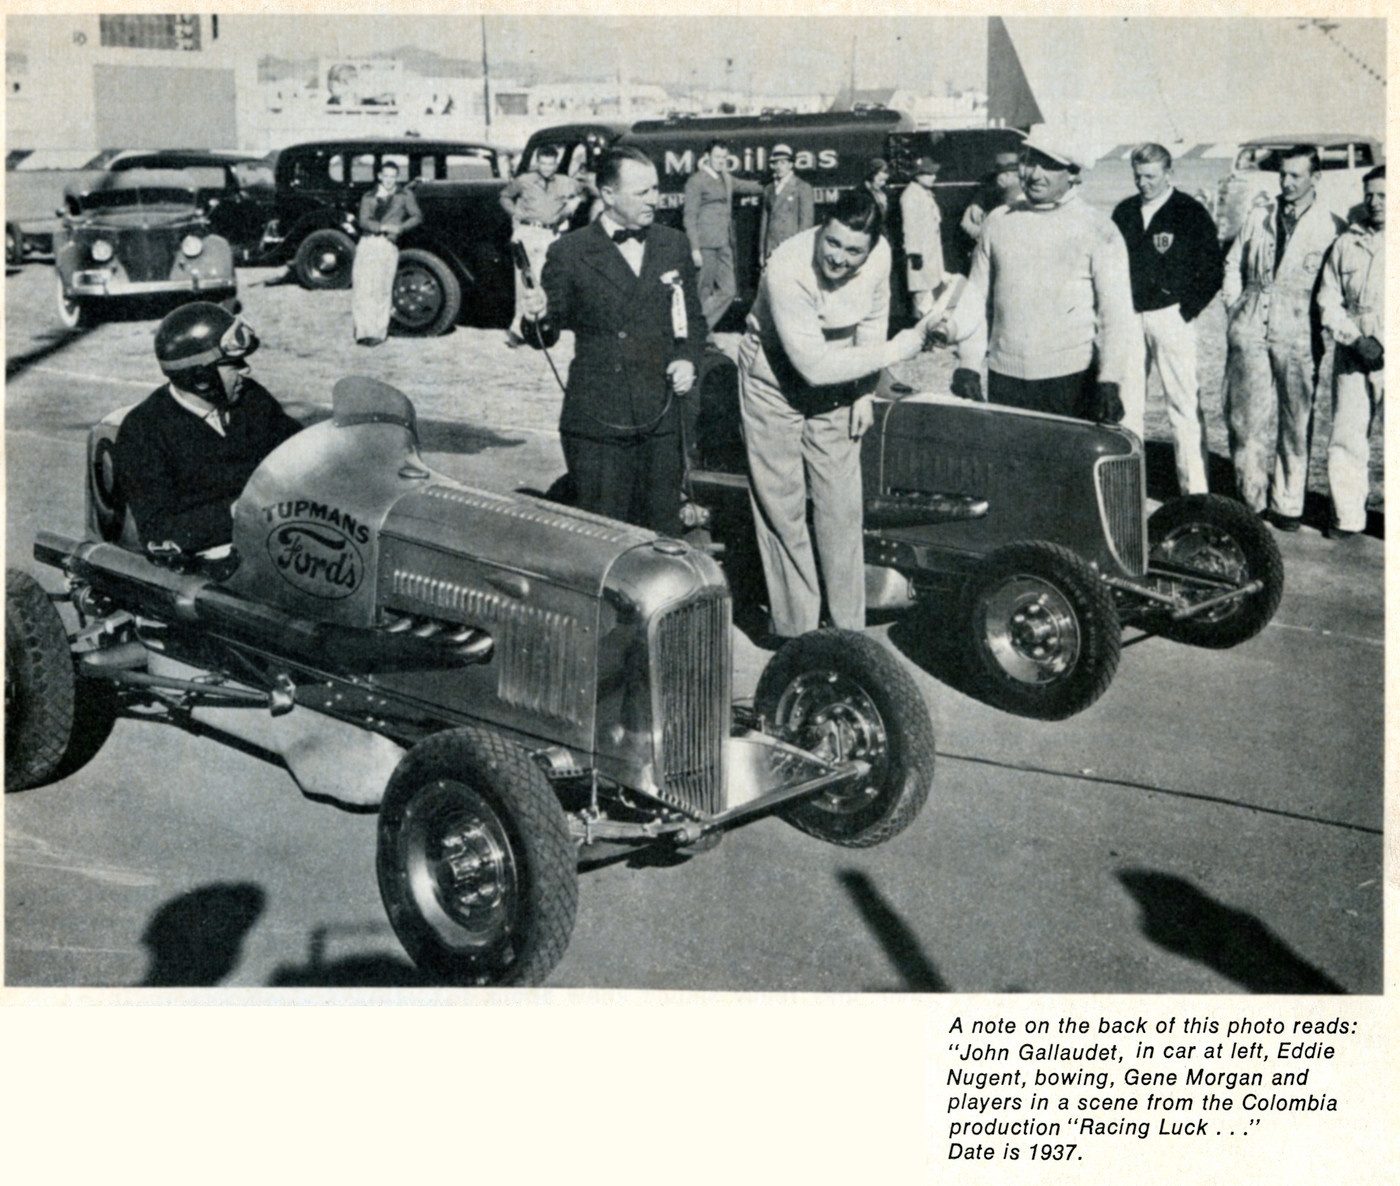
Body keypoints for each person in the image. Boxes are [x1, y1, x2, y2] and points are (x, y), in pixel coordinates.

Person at [738, 188, 940, 639]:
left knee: (841, 507)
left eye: (853, 251)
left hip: (843, 371)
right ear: (821, 228)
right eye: (832, 243)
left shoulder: (880, 253)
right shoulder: (787, 267)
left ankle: (849, 631)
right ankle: (799, 632)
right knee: (783, 506)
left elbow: (872, 320)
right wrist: (897, 350)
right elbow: (811, 367)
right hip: (776, 376)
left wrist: (864, 393)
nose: (839, 258)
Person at [521, 146, 706, 535]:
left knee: (661, 536)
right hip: (599, 423)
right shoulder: (570, 252)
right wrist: (537, 315)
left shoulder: (672, 245)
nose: (654, 200)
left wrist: (687, 359)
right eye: (642, 193)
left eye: (655, 189)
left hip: (661, 417)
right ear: (608, 194)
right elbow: (545, 335)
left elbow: (692, 322)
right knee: (605, 539)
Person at [941, 128, 1135, 427]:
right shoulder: (998, 221)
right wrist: (969, 364)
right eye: (1030, 161)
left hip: (1071, 382)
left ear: (1072, 173)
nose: (1035, 174)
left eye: (1050, 165)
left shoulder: (1098, 229)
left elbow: (1116, 315)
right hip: (1005, 380)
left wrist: (1110, 380)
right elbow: (976, 301)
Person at [114, 302, 301, 566]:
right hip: (206, 564)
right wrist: (238, 512)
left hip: (278, 539)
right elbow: (159, 533)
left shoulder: (251, 398)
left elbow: (298, 449)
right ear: (201, 377)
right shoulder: (144, 432)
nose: (245, 370)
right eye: (233, 364)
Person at [1222, 145, 1346, 528]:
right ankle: (1252, 501)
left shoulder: (1331, 226)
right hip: (1251, 325)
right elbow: (1233, 264)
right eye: (1283, 175)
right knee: (1246, 420)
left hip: (1299, 331)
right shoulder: (1260, 215)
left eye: (1296, 175)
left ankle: (1289, 504)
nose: (1288, 182)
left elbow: (1336, 284)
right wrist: (1235, 308)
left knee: (1295, 422)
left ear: (1315, 178)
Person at [1111, 143, 1223, 490]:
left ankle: (1195, 490)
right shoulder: (1125, 211)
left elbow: (1213, 268)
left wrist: (1185, 309)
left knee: (1183, 403)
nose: (1142, 183)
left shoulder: (1189, 211)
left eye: (1150, 176)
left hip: (1171, 317)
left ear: (1168, 174)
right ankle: (1128, 486)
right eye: (1137, 176)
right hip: (1130, 317)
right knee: (1127, 403)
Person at [1316, 165, 1384, 540]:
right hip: (1353, 347)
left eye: (1385, 196)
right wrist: (1355, 339)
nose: (1375, 203)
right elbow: (1328, 297)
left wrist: (1384, 343)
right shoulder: (1347, 241)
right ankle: (1347, 518)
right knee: (1346, 437)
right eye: (1370, 194)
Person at [499, 144, 581, 347]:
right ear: (537, 162)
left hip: (549, 234)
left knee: (547, 280)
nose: (547, 168)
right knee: (525, 282)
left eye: (551, 164)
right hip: (527, 233)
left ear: (556, 163)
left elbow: (584, 191)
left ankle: (542, 327)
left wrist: (572, 205)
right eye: (543, 163)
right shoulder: (524, 180)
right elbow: (504, 196)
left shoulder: (566, 182)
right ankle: (518, 330)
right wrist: (514, 213)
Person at [683, 139, 764, 332]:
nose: (721, 161)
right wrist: (694, 249)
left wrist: (771, 185)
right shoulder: (696, 181)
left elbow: (747, 186)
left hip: (725, 243)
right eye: (717, 157)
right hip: (705, 245)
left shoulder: (725, 178)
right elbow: (689, 216)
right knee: (703, 291)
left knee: (729, 290)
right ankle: (700, 335)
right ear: (707, 157)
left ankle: (698, 328)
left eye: (724, 157)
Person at [351, 160, 421, 346]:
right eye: (386, 176)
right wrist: (382, 226)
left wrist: (400, 228)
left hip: (387, 245)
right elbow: (363, 221)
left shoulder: (404, 194)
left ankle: (378, 332)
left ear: (397, 177)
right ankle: (363, 331)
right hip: (367, 243)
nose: (389, 180)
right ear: (379, 176)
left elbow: (417, 216)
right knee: (363, 288)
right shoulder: (369, 196)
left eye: (393, 176)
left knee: (382, 288)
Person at [900, 156, 945, 317]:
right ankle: (919, 331)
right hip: (921, 257)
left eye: (933, 174)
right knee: (921, 298)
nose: (933, 177)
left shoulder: (923, 193)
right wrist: (914, 253)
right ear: (916, 175)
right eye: (928, 174)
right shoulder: (911, 195)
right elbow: (910, 227)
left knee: (929, 296)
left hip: (930, 255)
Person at [758, 143, 815, 264]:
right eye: (776, 163)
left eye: (783, 162)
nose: (779, 166)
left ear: (791, 164)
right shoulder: (769, 189)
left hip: (791, 247)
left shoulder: (802, 187)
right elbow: (765, 223)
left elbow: (806, 224)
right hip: (771, 247)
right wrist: (762, 251)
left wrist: (800, 250)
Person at [960, 150, 1023, 242]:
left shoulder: (1019, 202)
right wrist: (976, 203)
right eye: (999, 174)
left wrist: (972, 228)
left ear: (1016, 175)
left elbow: (1000, 236)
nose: (999, 178)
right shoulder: (997, 193)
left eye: (1006, 174)